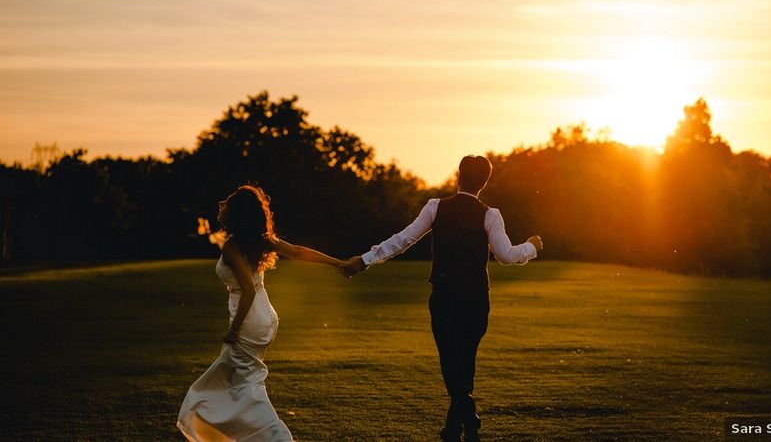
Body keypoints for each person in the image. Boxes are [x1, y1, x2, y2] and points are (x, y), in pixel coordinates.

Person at [341, 155, 543, 441]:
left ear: (458, 176)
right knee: (463, 360)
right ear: (484, 183)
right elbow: (507, 255)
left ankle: (460, 419)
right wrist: (532, 247)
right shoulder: (490, 214)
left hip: (445, 296)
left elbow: (403, 240)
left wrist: (365, 259)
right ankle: (462, 420)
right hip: (475, 300)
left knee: (452, 361)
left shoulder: (436, 207)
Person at [178, 185, 345, 442]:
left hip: (249, 321)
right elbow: (298, 252)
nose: (221, 203)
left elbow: (248, 290)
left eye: (228, 202)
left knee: (238, 385)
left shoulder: (232, 246)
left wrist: (233, 330)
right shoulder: (259, 240)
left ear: (236, 213)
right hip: (263, 318)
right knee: (238, 383)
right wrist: (338, 263)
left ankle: (276, 436)